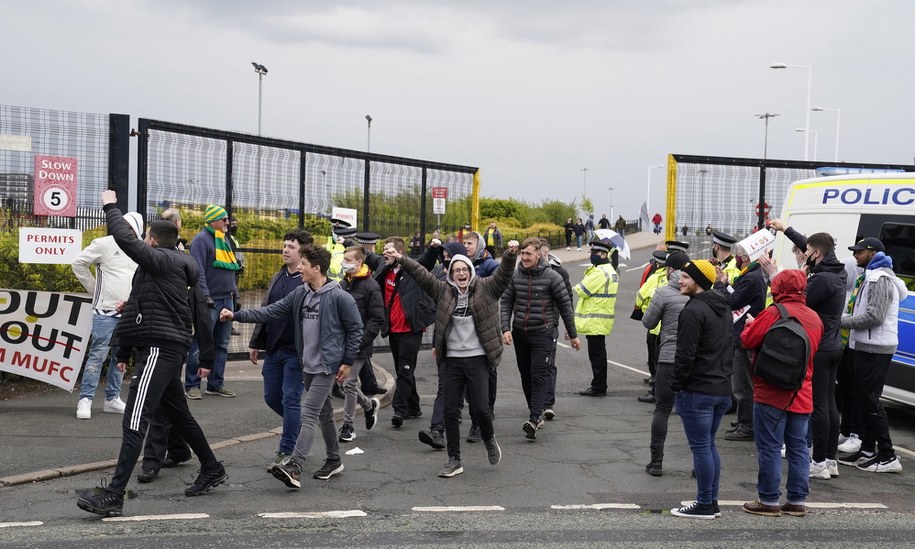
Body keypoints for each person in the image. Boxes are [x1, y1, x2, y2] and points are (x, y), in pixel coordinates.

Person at [77, 191, 227, 517]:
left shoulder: (164, 261)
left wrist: (110, 205)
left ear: (153, 241)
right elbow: (138, 308)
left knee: (134, 419)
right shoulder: (163, 268)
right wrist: (124, 349)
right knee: (180, 416)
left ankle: (114, 496)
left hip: (160, 350)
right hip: (161, 347)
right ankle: (212, 467)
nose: (142, 241)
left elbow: (123, 237)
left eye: (146, 238)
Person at [223, 245, 363, 488]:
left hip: (327, 367)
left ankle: (295, 466)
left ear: (316, 268)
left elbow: (355, 330)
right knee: (325, 414)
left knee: (309, 413)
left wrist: (348, 361)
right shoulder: (301, 293)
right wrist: (236, 315)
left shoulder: (339, 296)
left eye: (304, 265)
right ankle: (334, 459)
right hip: (307, 364)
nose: (299, 268)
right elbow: (270, 311)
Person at [386, 240, 519, 477]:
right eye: (456, 270)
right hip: (452, 361)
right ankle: (454, 459)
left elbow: (505, 274)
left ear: (471, 271)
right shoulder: (442, 291)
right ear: (450, 273)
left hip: (478, 358)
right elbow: (421, 274)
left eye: (464, 269)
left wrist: (509, 254)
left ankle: (489, 438)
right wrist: (400, 258)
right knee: (449, 411)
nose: (461, 273)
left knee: (480, 408)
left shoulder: (487, 288)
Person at [739, 269, 823, 518]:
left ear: (778, 289)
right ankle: (796, 501)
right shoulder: (815, 318)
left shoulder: (774, 312)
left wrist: (751, 325)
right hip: (802, 391)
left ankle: (768, 500)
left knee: (770, 447)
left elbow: (747, 339)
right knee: (798, 447)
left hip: (771, 392)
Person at [769, 219, 847, 480]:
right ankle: (831, 459)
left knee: (820, 406)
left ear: (817, 254)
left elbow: (798, 299)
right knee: (831, 405)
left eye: (809, 252)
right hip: (834, 345)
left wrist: (797, 275)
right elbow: (812, 245)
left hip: (821, 348)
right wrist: (785, 229)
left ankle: (819, 461)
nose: (805, 254)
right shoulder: (837, 270)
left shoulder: (822, 279)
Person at [669, 259, 733, 520]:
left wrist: (676, 385)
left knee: (701, 448)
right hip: (721, 387)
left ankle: (705, 503)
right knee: (708, 445)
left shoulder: (693, 310)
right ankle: (712, 501)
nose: (680, 280)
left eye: (685, 276)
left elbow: (685, 355)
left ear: (698, 282)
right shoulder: (723, 307)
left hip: (697, 389)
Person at [837, 237, 907, 473]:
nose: (855, 256)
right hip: (866, 345)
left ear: (873, 253)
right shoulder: (870, 276)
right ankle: (868, 450)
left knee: (870, 401)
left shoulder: (879, 278)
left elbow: (874, 316)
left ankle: (887, 455)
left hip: (875, 348)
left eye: (860, 251)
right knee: (862, 399)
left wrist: (841, 323)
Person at [247, 229, 313, 471]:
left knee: (290, 398)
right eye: (285, 245)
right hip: (274, 349)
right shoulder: (278, 276)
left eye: (291, 247)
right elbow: (266, 310)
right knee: (272, 397)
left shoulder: (307, 282)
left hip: (296, 352)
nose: (285, 250)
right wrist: (256, 342)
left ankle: (287, 449)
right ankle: (301, 427)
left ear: (304, 252)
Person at [501, 237, 581, 441]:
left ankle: (534, 418)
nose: (525, 257)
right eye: (523, 254)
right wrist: (505, 328)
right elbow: (506, 302)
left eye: (528, 254)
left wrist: (573, 335)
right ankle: (534, 410)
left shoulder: (552, 277)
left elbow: (565, 307)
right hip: (520, 333)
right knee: (526, 376)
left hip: (543, 334)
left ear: (539, 254)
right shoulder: (515, 275)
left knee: (538, 375)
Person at [71, 210, 144, 419]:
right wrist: (95, 290)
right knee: (98, 354)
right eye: (124, 226)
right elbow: (78, 263)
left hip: (129, 312)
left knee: (121, 356)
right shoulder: (104, 243)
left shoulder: (138, 247)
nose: (126, 231)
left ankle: (112, 398)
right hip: (105, 310)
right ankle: (86, 399)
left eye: (130, 228)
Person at [372, 237, 436, 427]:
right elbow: (367, 256)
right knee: (404, 369)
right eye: (384, 250)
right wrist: (348, 241)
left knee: (405, 369)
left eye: (389, 251)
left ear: (399, 253)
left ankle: (399, 410)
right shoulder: (385, 269)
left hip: (410, 329)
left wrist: (433, 248)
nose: (385, 254)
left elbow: (427, 261)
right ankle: (414, 406)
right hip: (393, 329)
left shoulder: (412, 270)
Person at [641, 252, 690, 476]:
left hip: (669, 357)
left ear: (670, 270)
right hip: (693, 360)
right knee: (694, 413)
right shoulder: (699, 292)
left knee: (662, 409)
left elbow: (648, 322)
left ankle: (656, 462)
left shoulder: (663, 292)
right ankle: (699, 463)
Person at [184, 204, 239, 399]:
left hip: (226, 299)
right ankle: (192, 383)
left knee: (222, 343)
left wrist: (235, 293)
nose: (227, 222)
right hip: (211, 300)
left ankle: (216, 384)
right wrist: (205, 297)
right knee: (201, 341)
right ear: (213, 221)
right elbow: (198, 271)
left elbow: (231, 269)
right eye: (223, 219)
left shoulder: (223, 239)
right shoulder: (201, 240)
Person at [715, 244, 768, 442]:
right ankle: (744, 419)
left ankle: (748, 425)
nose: (736, 258)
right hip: (743, 332)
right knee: (742, 382)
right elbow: (738, 298)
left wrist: (720, 283)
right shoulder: (751, 275)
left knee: (743, 385)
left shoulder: (751, 278)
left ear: (746, 257)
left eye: (739, 255)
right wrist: (726, 284)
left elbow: (733, 301)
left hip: (744, 336)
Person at [337, 245, 384, 443]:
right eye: (344, 258)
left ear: (359, 262)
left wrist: (361, 341)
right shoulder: (342, 284)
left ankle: (348, 425)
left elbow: (377, 318)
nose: (344, 262)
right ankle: (368, 405)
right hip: (341, 343)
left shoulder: (371, 286)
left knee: (349, 382)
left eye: (348, 259)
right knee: (341, 381)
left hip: (359, 345)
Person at [575, 237, 619, 397]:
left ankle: (599, 386)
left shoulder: (601, 271)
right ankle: (599, 384)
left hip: (596, 320)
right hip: (601, 319)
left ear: (604, 254)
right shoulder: (607, 270)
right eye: (592, 251)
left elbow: (582, 290)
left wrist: (579, 285)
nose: (592, 254)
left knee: (597, 355)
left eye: (596, 252)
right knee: (598, 353)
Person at [540, 239, 573, 421]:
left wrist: (570, 328)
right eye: (540, 254)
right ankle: (535, 403)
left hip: (550, 325)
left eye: (545, 253)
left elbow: (567, 301)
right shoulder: (525, 271)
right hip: (529, 327)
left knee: (549, 364)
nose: (542, 257)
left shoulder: (559, 272)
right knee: (533, 367)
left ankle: (548, 404)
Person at [633, 250, 668, 403]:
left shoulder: (654, 277)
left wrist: (643, 306)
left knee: (655, 357)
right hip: (666, 325)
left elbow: (640, 296)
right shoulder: (674, 279)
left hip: (654, 323)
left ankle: (655, 386)